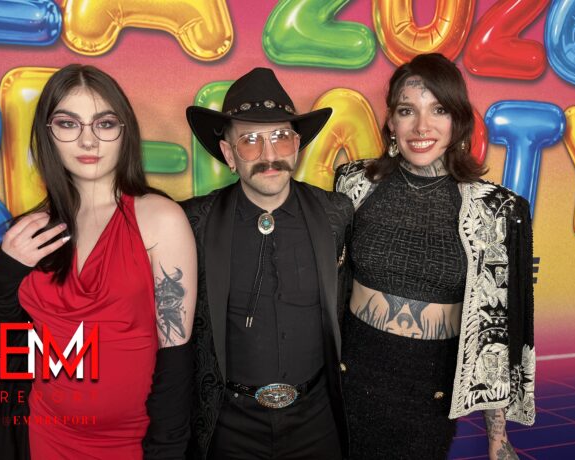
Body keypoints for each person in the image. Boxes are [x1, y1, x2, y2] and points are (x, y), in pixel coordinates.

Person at [0, 64, 196, 459]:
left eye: (104, 123)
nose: (88, 140)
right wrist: (9, 267)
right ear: (47, 133)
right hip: (43, 437)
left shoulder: (160, 218)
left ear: (124, 131)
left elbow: (175, 360)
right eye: (68, 123)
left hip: (131, 443)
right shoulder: (31, 231)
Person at [334, 53, 535, 459]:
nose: (421, 127)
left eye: (438, 110)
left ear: (458, 121)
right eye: (407, 110)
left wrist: (497, 438)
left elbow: (495, 331)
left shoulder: (496, 210)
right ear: (391, 122)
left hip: (430, 390)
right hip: (348, 375)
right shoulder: (354, 183)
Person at [182, 67, 352, 460]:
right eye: (250, 141)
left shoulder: (337, 214)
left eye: (280, 137)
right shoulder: (193, 222)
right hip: (230, 427)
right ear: (228, 154)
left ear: (297, 145)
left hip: (316, 422)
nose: (269, 155)